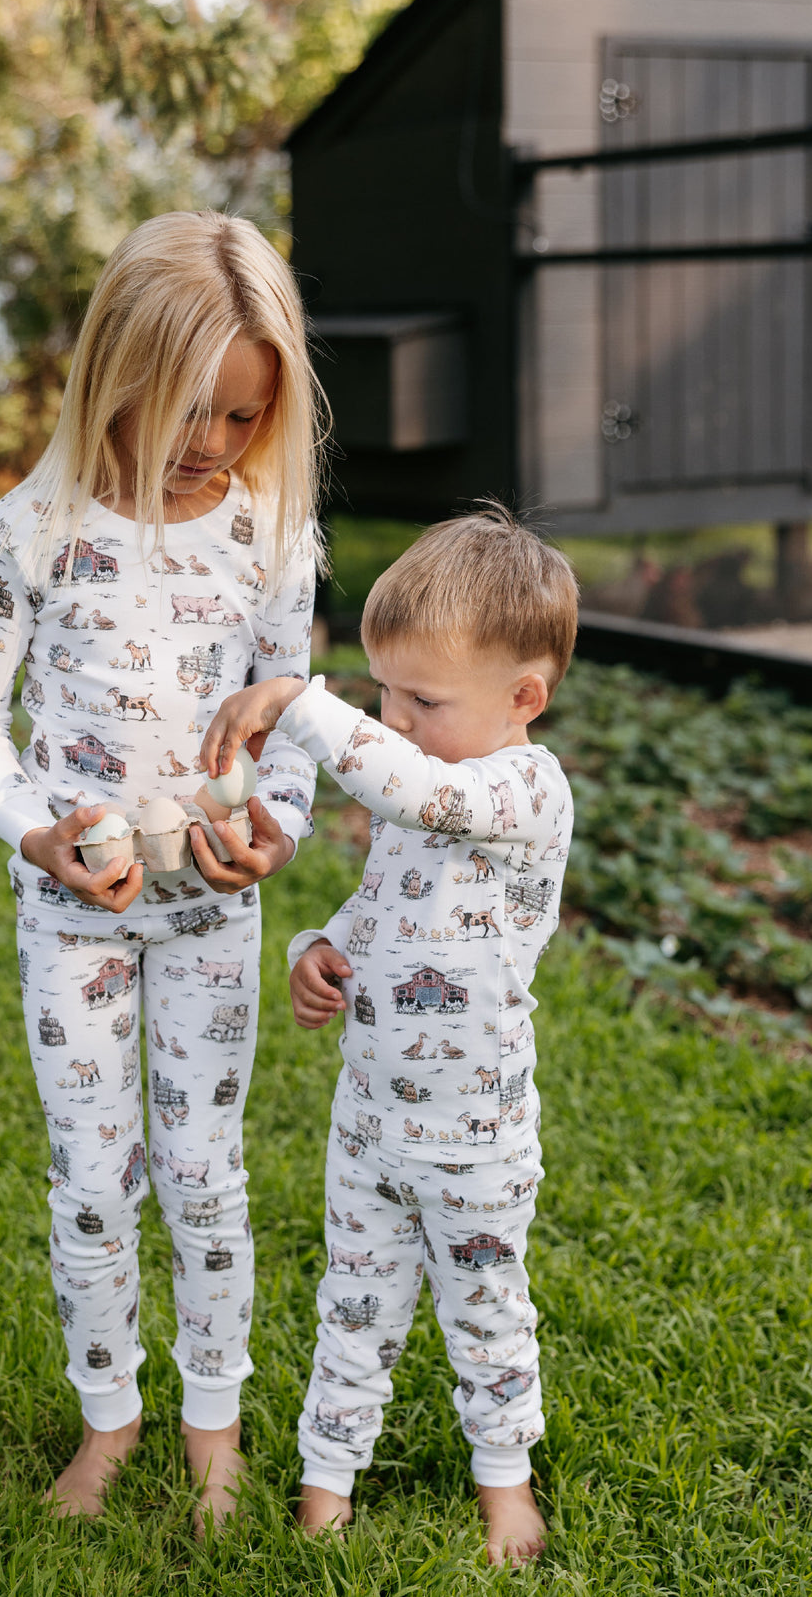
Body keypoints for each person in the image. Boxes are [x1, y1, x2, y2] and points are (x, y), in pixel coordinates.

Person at [0, 210, 325, 1526]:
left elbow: (292, 729)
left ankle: (214, 1421)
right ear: (114, 372)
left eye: (239, 419)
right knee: (94, 1176)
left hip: (212, 909)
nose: (209, 446)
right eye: (187, 413)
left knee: (206, 1167)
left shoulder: (270, 539)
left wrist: (275, 833)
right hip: (75, 911)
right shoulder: (31, 531)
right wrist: (33, 831)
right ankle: (111, 1417)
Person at [199, 507, 578, 1565]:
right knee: (352, 1304)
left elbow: (427, 791)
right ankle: (328, 1478)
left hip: (476, 1140)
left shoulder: (516, 790)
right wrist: (320, 945)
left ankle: (506, 1482)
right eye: (384, 695)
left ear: (523, 699)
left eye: (422, 698)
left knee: (486, 1314)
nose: (396, 721)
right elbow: (384, 908)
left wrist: (307, 708)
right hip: (367, 1125)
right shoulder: (426, 796)